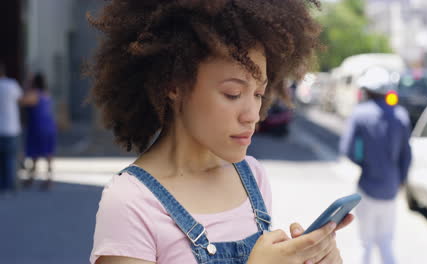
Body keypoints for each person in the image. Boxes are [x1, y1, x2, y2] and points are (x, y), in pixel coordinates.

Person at [87, 1, 354, 264]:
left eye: (259, 94)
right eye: (233, 94)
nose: (252, 115)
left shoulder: (252, 177)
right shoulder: (130, 202)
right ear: (174, 85)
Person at [340, 67, 412, 264]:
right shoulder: (401, 115)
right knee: (386, 242)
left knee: (364, 243)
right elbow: (406, 155)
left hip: (367, 186)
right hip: (391, 189)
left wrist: (364, 162)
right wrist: (401, 180)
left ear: (367, 90)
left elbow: (347, 149)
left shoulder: (360, 114)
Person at [22, 73, 57, 190]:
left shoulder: (33, 94)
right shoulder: (46, 94)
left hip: (38, 126)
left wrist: (26, 86)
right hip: (49, 126)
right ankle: (47, 179)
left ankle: (32, 177)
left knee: (34, 152)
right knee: (47, 154)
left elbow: (21, 101)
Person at [0, 61, 23, 197]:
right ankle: (10, 185)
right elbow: (21, 100)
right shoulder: (11, 84)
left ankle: (3, 185)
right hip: (11, 128)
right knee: (11, 159)